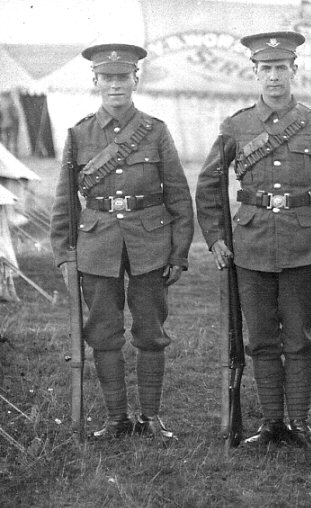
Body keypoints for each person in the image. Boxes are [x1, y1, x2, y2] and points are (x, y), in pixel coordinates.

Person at [196, 31, 311, 451]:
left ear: (294, 70)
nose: (274, 76)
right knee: (260, 338)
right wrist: (216, 238)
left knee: (299, 338)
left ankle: (299, 422)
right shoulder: (236, 125)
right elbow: (208, 182)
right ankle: (272, 423)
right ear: (255, 73)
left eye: (281, 68)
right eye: (266, 69)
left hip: (302, 245)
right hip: (251, 245)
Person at [49, 43, 194, 440]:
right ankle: (116, 419)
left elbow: (179, 194)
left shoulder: (155, 130)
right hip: (96, 245)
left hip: (150, 244)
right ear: (95, 80)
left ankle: (150, 417)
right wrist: (64, 254)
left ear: (136, 79)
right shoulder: (79, 134)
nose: (116, 85)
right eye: (107, 78)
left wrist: (179, 252)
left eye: (123, 77)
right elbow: (65, 200)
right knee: (103, 332)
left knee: (150, 331)